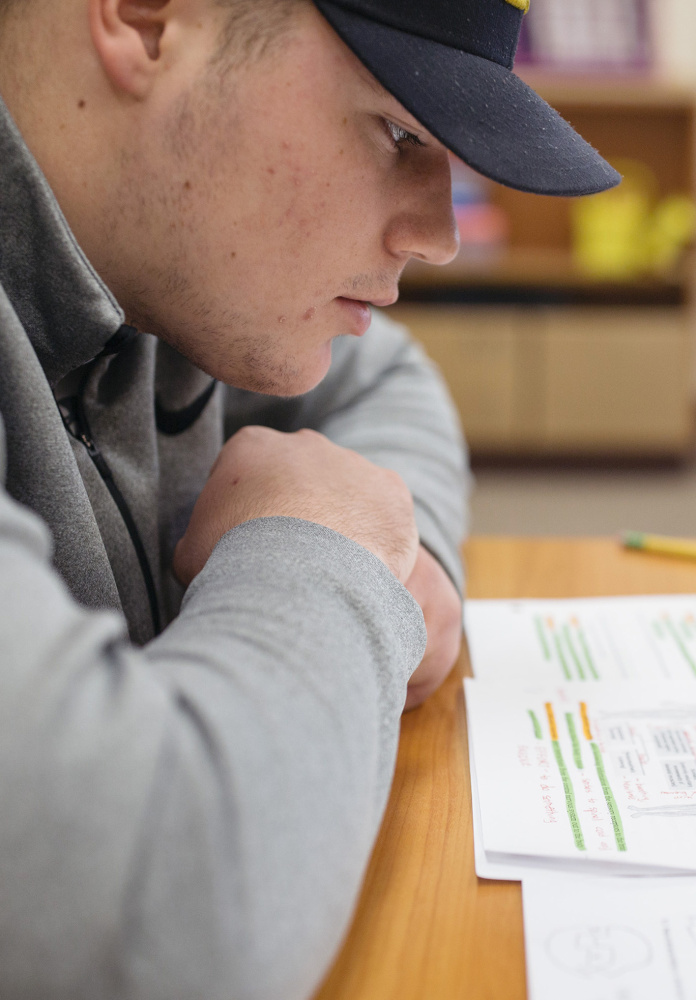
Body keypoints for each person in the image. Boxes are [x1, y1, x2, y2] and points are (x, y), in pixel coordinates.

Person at [0, 1, 618, 998]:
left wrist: (399, 557)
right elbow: (159, 915)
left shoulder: (157, 257)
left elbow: (386, 381)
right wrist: (321, 546)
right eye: (399, 133)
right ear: (148, 20)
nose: (439, 234)